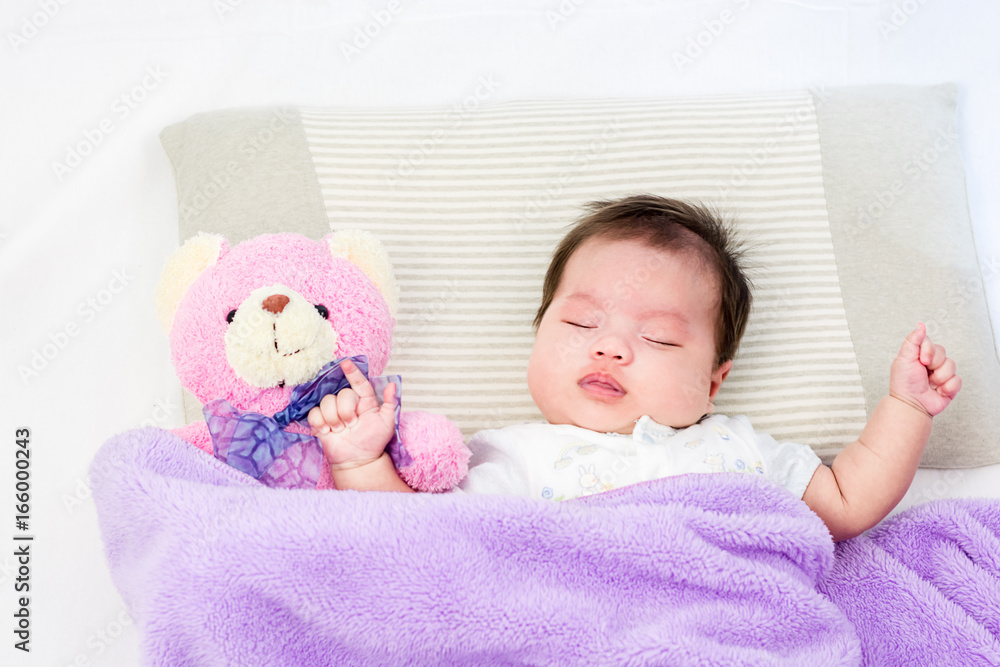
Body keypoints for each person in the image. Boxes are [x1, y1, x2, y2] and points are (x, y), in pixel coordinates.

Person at [307, 195, 961, 541]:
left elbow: (847, 503)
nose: (610, 348)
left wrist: (904, 409)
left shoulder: (737, 447)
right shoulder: (510, 454)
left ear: (713, 380)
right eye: (581, 324)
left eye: (658, 338)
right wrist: (362, 463)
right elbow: (429, 542)